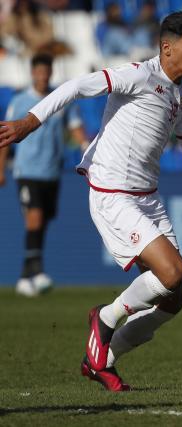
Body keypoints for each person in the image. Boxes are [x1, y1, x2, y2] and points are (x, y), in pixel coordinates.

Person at [0, 12, 182, 392]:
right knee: (173, 272)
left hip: (147, 197)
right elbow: (75, 86)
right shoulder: (137, 75)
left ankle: (100, 359)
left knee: (172, 301)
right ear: (166, 47)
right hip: (112, 193)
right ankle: (104, 319)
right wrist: (29, 122)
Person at [0, 53, 87, 297]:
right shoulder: (20, 101)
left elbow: (75, 127)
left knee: (41, 224)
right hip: (27, 170)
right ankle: (37, 272)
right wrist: (1, 169)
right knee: (34, 218)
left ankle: (25, 277)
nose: (43, 75)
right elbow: (6, 137)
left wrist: (85, 147)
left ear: (50, 72)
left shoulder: (59, 101)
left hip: (51, 171)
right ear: (33, 73)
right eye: (39, 71)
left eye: (46, 71)